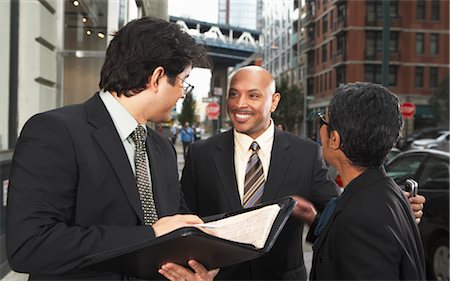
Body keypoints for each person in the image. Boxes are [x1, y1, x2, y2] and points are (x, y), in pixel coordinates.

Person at [165, 66, 425, 280]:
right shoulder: (201, 153)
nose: (240, 104)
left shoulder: (307, 154)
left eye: (253, 96)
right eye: (233, 95)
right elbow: (186, 222)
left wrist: (389, 209)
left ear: (274, 101)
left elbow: (338, 215)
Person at [6, 17, 218, 281]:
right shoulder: (55, 132)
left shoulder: (162, 148)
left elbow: (177, 226)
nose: (182, 94)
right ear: (157, 78)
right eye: (184, 82)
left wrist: (198, 264)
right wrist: (149, 236)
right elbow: (31, 246)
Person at [306, 82, 425, 279]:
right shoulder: (387, 192)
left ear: (334, 139)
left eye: (323, 121)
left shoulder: (361, 220)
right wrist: (311, 217)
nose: (320, 129)